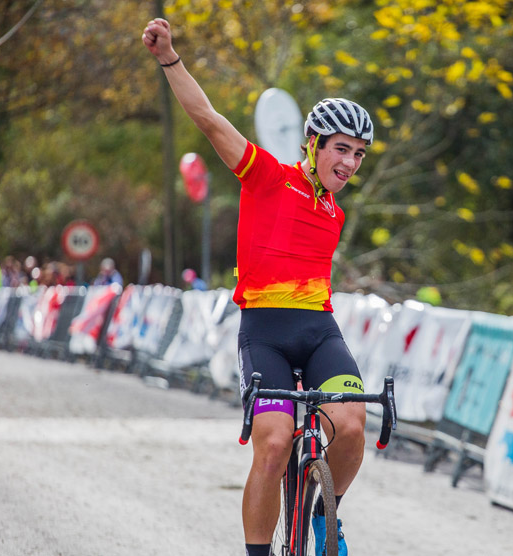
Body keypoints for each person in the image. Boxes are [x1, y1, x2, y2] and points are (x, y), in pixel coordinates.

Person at [143, 18, 373, 556]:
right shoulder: (268, 175)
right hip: (264, 330)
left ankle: (323, 519)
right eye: (342, 149)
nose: (350, 162)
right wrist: (170, 59)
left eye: (359, 154)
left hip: (318, 330)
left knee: (354, 425)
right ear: (314, 144)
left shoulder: (334, 211)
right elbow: (207, 118)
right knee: (273, 445)